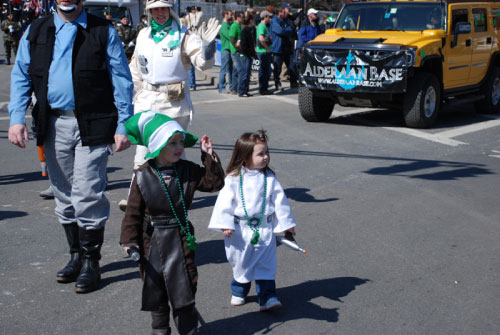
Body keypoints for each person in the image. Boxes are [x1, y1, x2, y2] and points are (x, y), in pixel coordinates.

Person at [8, 0, 134, 293]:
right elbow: (21, 75)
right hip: (53, 123)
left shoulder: (103, 31)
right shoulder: (36, 30)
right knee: (63, 194)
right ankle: (76, 256)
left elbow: (121, 79)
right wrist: (16, 118)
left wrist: (123, 123)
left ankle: (92, 262)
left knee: (87, 192)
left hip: (94, 122)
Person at [120, 111, 225, 335]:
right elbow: (132, 211)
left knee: (186, 283)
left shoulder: (187, 170)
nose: (179, 147)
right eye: (172, 143)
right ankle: (160, 329)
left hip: (181, 236)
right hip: (151, 238)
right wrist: (129, 241)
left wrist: (208, 156)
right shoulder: (142, 175)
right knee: (155, 285)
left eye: (180, 142)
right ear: (157, 145)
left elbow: (214, 183)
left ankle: (188, 329)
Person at [119, 0, 219, 210]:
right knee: (142, 151)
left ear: (170, 9)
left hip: (173, 105)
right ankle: (136, 200)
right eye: (155, 9)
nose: (160, 13)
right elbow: (136, 69)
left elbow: (202, 63)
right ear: (149, 11)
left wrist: (208, 47)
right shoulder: (143, 35)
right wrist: (129, 96)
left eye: (163, 8)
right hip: (146, 101)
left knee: (174, 153)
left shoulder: (183, 35)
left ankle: (175, 198)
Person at [208, 130, 297, 311]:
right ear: (245, 156)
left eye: (267, 153)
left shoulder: (270, 179)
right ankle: (239, 291)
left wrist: (287, 225)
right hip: (240, 231)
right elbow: (224, 203)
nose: (265, 157)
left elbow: (280, 202)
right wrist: (225, 224)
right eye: (260, 154)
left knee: (266, 264)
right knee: (242, 263)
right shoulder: (233, 179)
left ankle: (268, 297)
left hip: (264, 229)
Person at [269, 6, 297, 91]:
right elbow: (280, 31)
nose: (285, 14)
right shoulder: (274, 21)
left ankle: (293, 82)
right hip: (278, 48)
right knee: (277, 68)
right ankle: (277, 83)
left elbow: (291, 29)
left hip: (287, 48)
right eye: (283, 12)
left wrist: (285, 30)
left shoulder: (285, 20)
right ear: (279, 13)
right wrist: (285, 30)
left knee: (291, 66)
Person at [238, 14, 255, 98]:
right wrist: (250, 52)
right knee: (244, 74)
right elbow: (243, 45)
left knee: (248, 74)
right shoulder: (245, 30)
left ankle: (246, 90)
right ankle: (241, 91)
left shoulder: (250, 30)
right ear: (250, 20)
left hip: (249, 55)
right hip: (245, 55)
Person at [256, 10, 273, 95]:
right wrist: (267, 48)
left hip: (263, 51)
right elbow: (261, 39)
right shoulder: (261, 26)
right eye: (269, 17)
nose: (270, 18)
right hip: (263, 51)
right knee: (264, 71)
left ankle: (264, 88)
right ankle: (263, 89)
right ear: (265, 17)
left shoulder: (263, 26)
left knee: (266, 70)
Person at [218, 9, 233, 94]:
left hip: (229, 50)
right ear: (225, 15)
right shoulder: (223, 26)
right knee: (224, 69)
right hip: (225, 50)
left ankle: (231, 87)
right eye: (230, 14)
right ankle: (221, 87)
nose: (231, 16)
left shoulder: (229, 24)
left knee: (230, 69)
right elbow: (230, 35)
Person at [229, 11, 243, 95]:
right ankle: (239, 88)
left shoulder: (239, 25)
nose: (243, 18)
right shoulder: (234, 26)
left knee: (235, 71)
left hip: (237, 51)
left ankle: (234, 89)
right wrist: (237, 47)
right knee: (240, 70)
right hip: (235, 51)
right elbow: (232, 38)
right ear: (238, 17)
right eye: (242, 17)